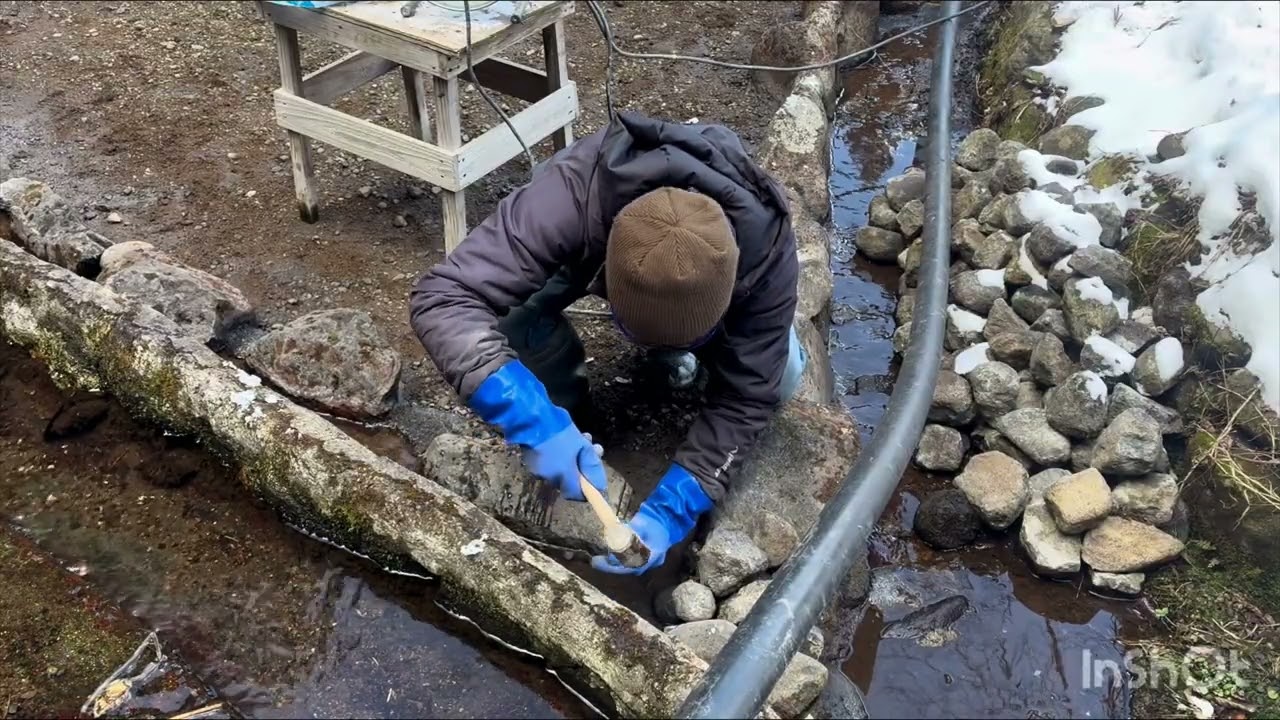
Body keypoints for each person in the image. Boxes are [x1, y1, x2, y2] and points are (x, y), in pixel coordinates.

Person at [409, 111, 805, 575]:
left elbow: (749, 396)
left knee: (784, 375)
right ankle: (569, 414)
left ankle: (688, 358)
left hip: (729, 284)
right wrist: (529, 416)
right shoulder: (572, 193)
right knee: (516, 318)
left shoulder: (768, 253)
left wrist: (677, 505)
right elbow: (444, 298)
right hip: (590, 243)